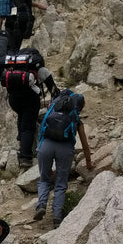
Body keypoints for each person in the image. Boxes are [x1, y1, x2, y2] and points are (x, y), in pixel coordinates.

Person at [35, 92, 94, 227]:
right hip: (65, 149)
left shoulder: (52, 110)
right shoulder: (75, 119)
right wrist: (89, 163)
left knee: (44, 179)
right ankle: (56, 218)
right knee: (61, 183)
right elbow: (85, 145)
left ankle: (41, 205)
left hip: (46, 146)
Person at [5, 56, 58, 168]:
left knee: (22, 115)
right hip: (30, 99)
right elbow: (53, 89)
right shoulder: (40, 69)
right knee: (28, 128)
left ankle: (21, 139)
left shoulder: (14, 67)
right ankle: (25, 157)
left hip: (14, 100)